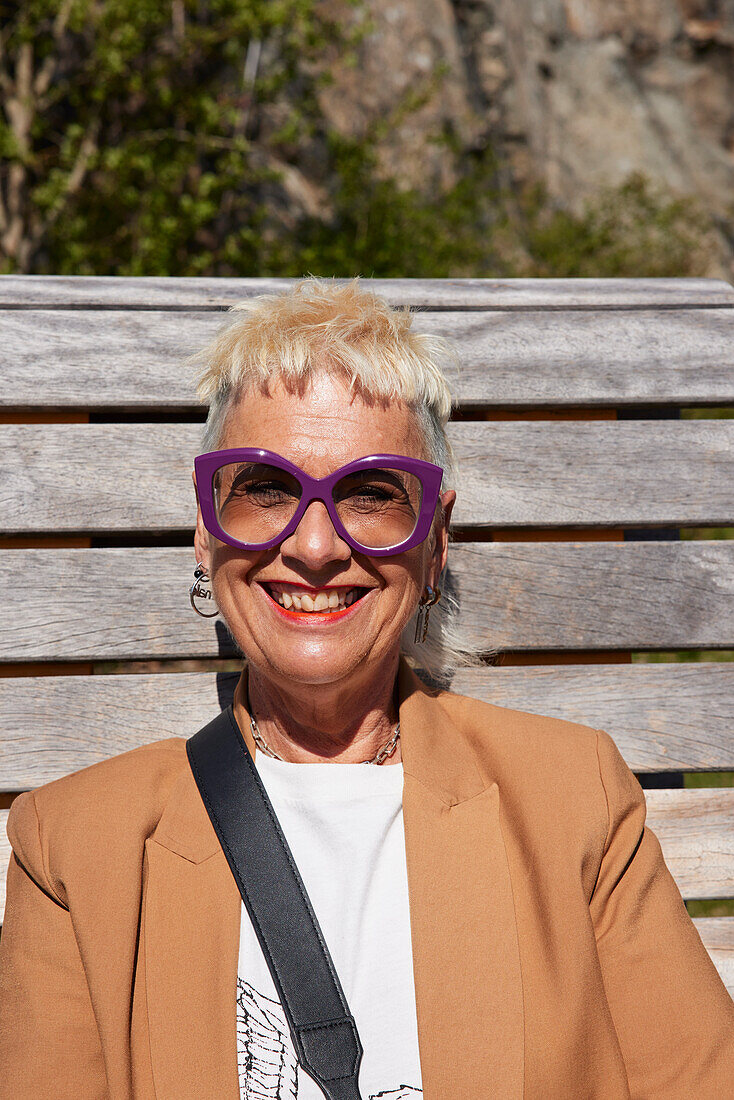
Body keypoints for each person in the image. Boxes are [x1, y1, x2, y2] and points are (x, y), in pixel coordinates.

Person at [0, 277, 732, 1100]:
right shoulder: (72, 850)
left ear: (436, 542)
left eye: (372, 494)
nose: (314, 545)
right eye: (265, 489)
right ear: (207, 529)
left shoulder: (576, 803)